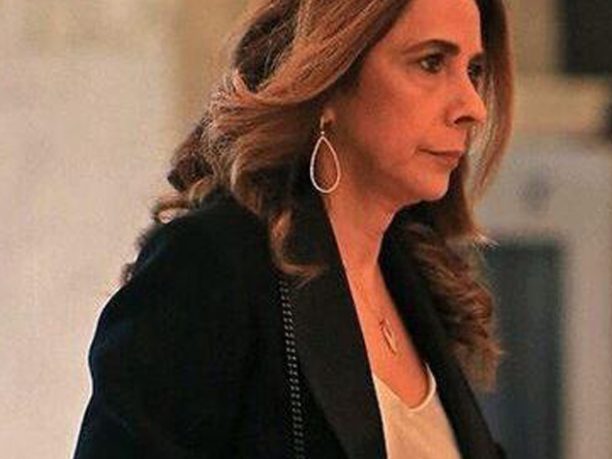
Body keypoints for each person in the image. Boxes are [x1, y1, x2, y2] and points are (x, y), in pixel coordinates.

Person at [73, 0, 513, 457]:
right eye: (431, 62)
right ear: (329, 81)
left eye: (473, 71)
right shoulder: (213, 262)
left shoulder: (422, 280)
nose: (473, 107)